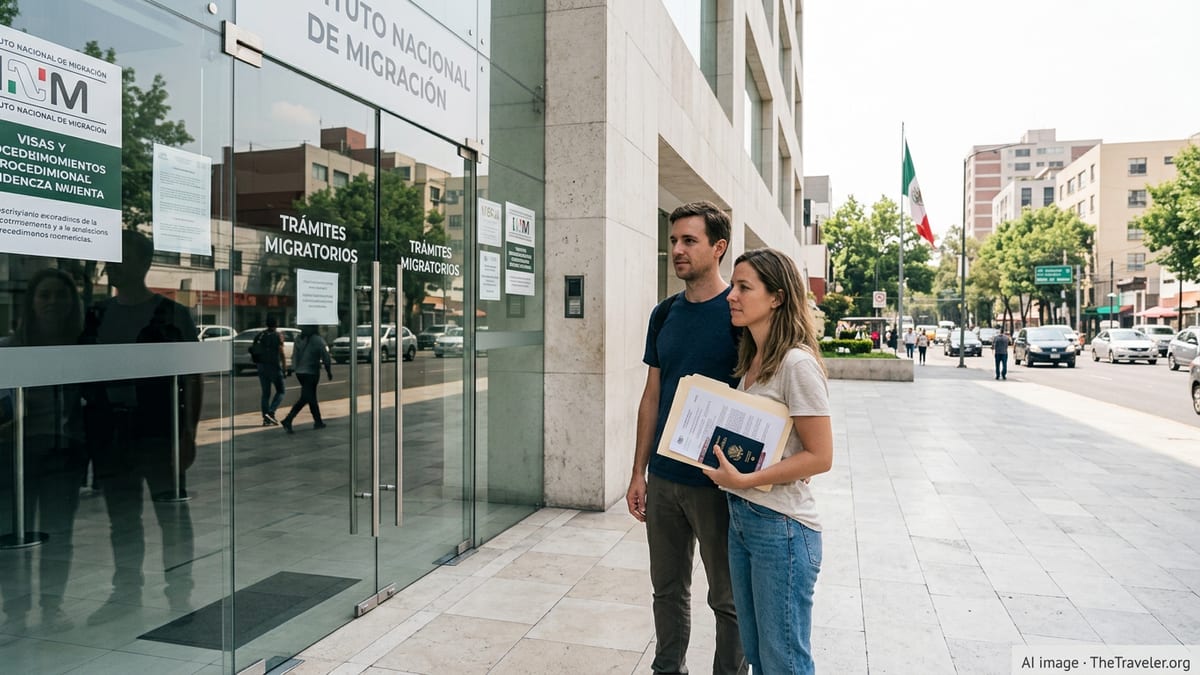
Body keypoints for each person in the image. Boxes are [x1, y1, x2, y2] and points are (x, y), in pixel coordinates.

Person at [625, 200, 746, 675]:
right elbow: (652, 394)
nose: (676, 249)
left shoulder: (738, 311)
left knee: (727, 597)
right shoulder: (664, 313)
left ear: (718, 248)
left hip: (718, 481)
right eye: (673, 240)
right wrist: (638, 471)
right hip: (666, 478)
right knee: (667, 590)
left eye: (688, 240)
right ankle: (667, 669)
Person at [704, 248, 834, 675]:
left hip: (783, 529)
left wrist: (747, 479)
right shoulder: (751, 360)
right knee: (759, 656)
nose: (731, 296)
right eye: (733, 286)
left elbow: (821, 456)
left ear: (776, 297)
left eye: (744, 287)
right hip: (744, 520)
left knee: (784, 662)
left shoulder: (796, 363)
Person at [82, 229, 200, 625]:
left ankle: (180, 595)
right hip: (112, 433)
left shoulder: (171, 314)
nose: (111, 263)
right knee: (123, 518)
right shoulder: (97, 314)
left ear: (142, 263)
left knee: (172, 515)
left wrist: (188, 434)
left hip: (158, 431)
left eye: (120, 256)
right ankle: (126, 593)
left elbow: (192, 379)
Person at [0, 268, 87, 631]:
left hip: (64, 453)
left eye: (60, 294)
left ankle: (53, 607)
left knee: (58, 535)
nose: (53, 302)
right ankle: (15, 613)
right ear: (31, 302)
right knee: (11, 535)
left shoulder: (82, 349)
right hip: (13, 455)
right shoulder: (8, 349)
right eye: (44, 295)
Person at [281, 324, 332, 433]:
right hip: (311, 372)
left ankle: (318, 421)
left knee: (311, 397)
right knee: (306, 397)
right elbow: (325, 356)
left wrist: (294, 369)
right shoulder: (317, 340)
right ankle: (288, 419)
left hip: (300, 372)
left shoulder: (298, 339)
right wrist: (328, 371)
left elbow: (294, 355)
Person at [254, 315, 287, 425]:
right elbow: (281, 352)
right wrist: (285, 367)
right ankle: (271, 412)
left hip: (261, 367)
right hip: (273, 366)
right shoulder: (278, 335)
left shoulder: (260, 335)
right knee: (281, 391)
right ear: (276, 324)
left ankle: (266, 419)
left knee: (265, 394)